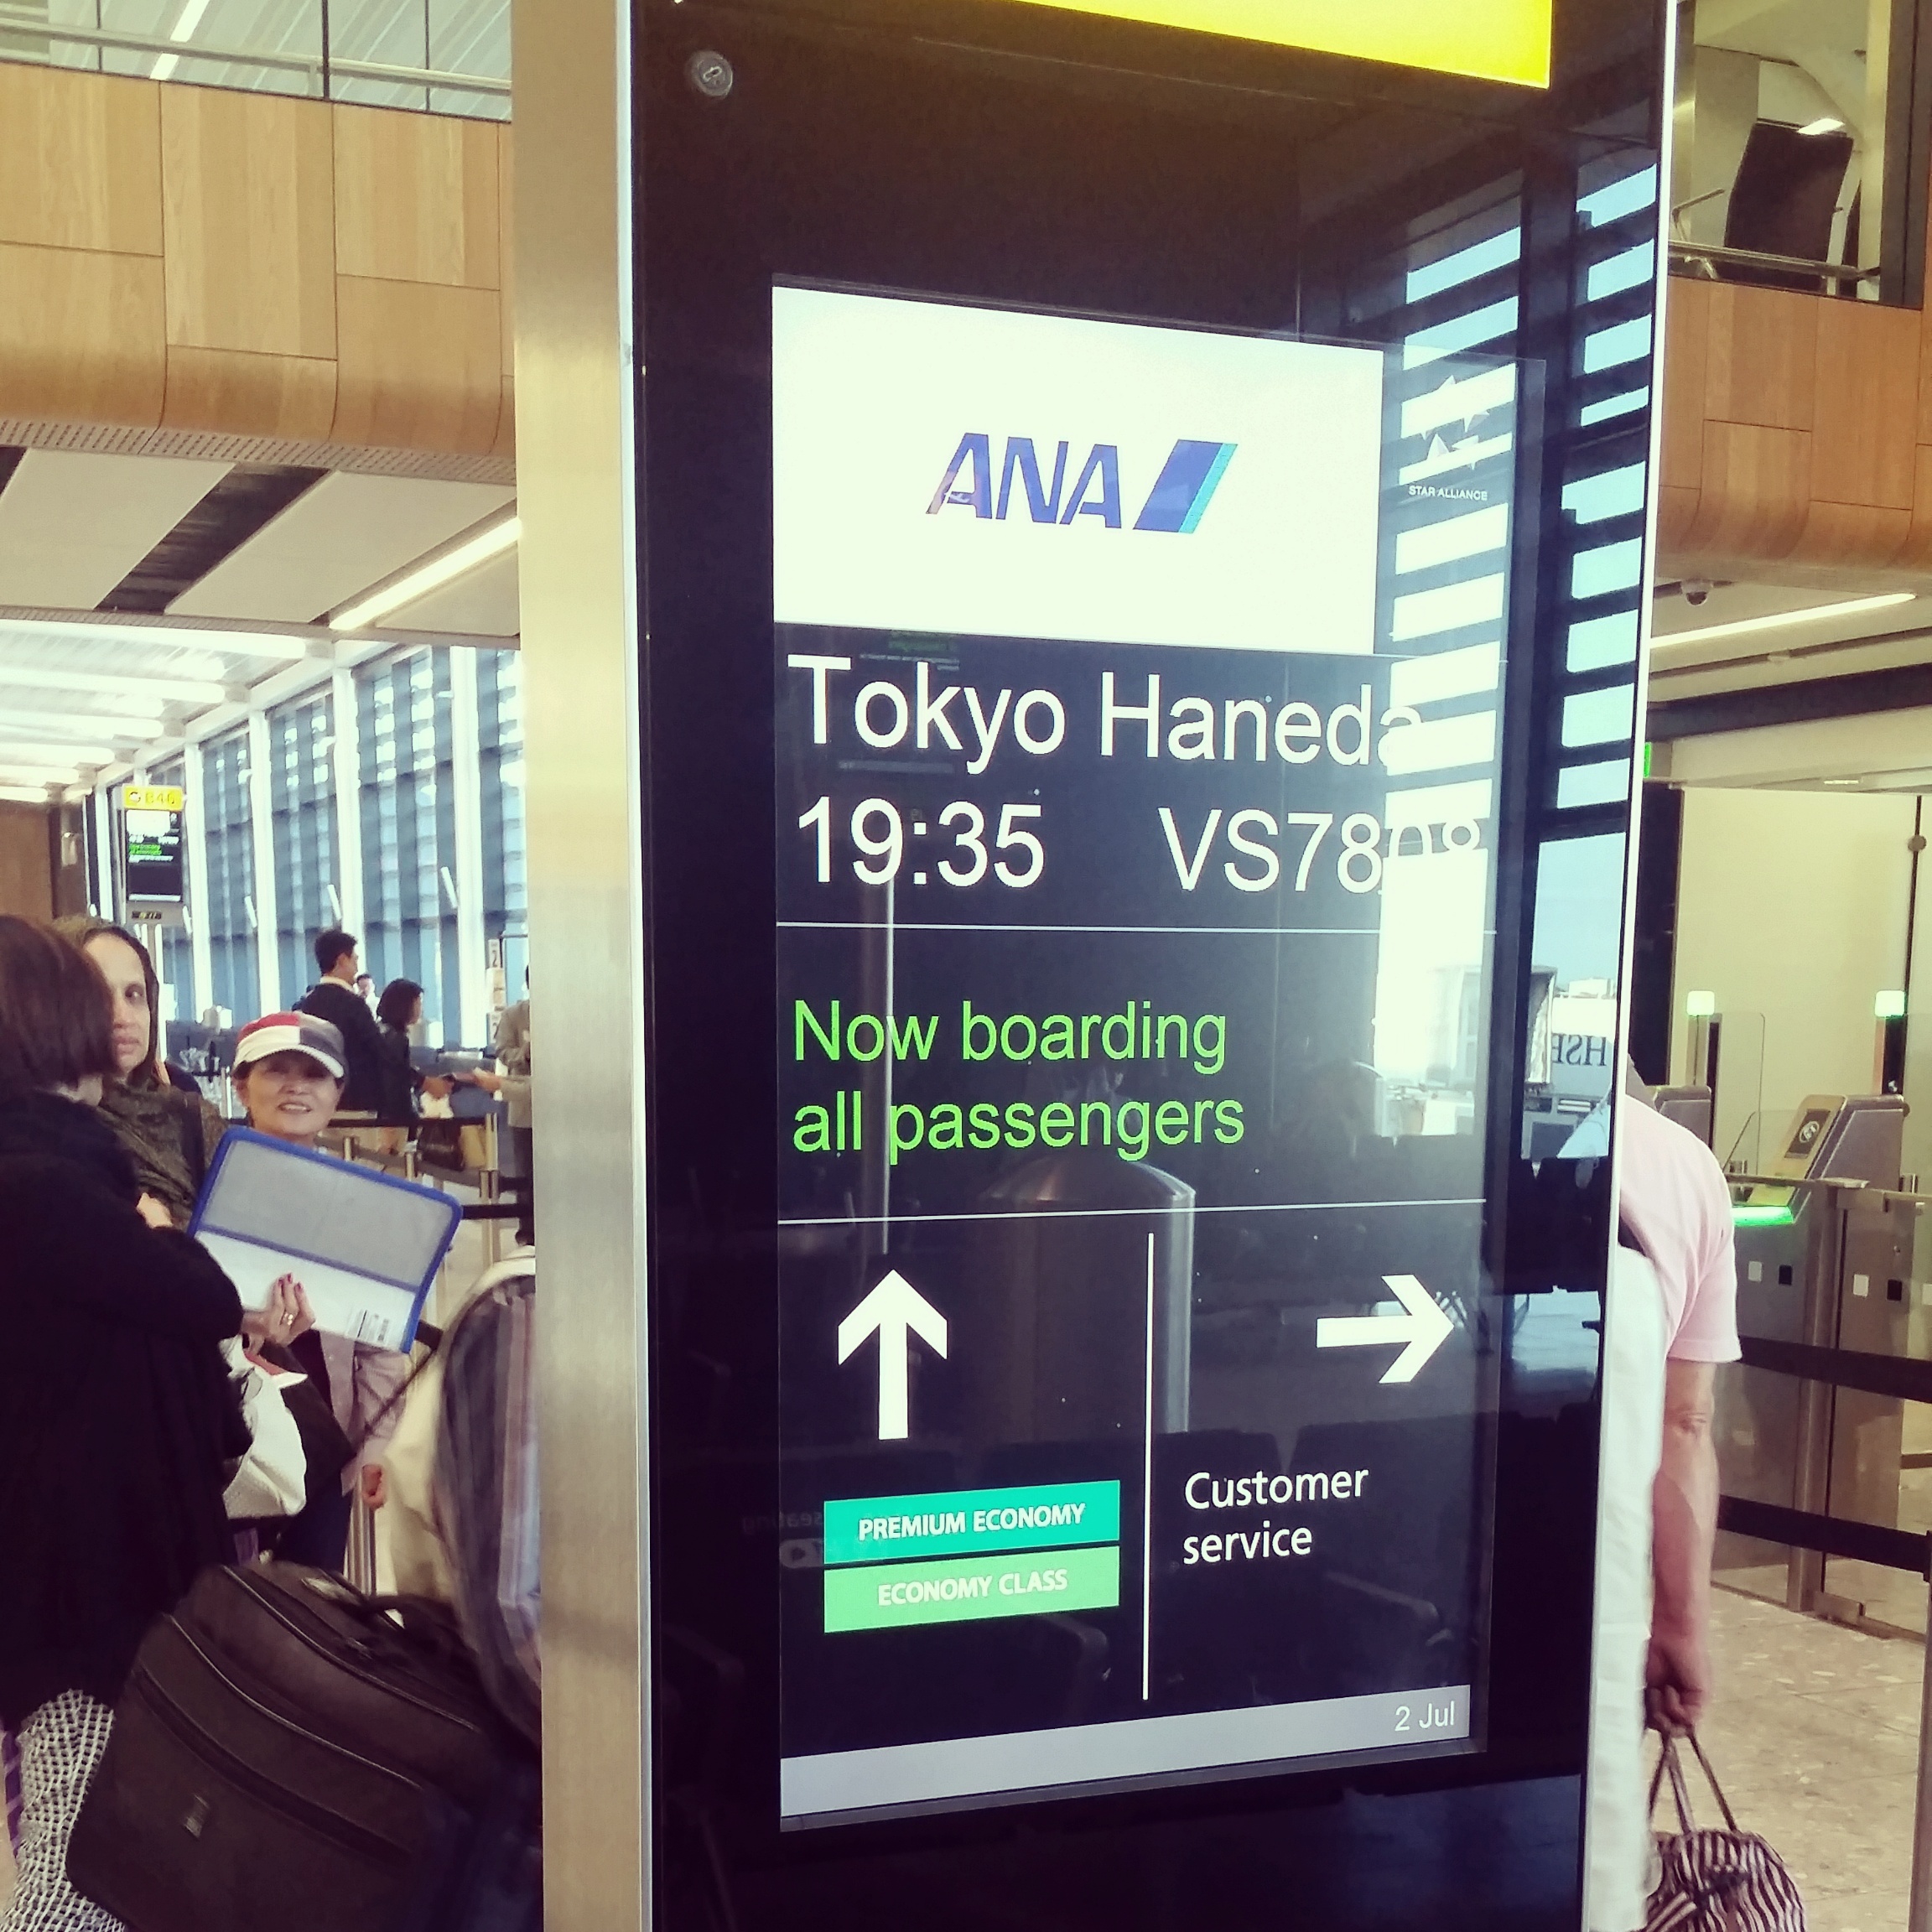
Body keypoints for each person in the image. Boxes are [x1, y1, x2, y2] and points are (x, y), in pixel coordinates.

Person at [0, 915, 246, 1932]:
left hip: (52, 1564)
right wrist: (157, 1232)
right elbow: (205, 1298)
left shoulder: (59, 1171)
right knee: (81, 1849)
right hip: (83, 1584)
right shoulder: (48, 1188)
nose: (118, 1020)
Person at [1587, 1078, 1740, 1931]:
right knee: (1592, 1846)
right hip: (1597, 1593)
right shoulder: (1683, 1166)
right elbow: (1684, 1424)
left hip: (1423, 1572)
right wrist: (1680, 1628)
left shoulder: (1445, 1142)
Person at [231, 1011, 410, 1572]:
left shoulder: (360, 1206)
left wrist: (379, 1447)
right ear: (242, 1085)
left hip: (324, 1442)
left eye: (313, 1074)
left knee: (311, 1605)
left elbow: (380, 1342)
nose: (295, 1086)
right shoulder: (205, 1185)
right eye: (276, 1069)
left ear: (338, 1093)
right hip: (229, 1438)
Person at [53, 916, 224, 1228]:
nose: (122, 1017)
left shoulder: (192, 1117)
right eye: (99, 996)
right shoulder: (42, 1130)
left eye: (134, 995)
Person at [293, 928, 385, 1115]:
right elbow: (379, 1051)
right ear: (342, 960)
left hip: (318, 1102)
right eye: (355, 960)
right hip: (356, 1103)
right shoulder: (354, 1005)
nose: (357, 968)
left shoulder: (307, 1004)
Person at [373, 978, 453, 1130]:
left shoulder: (381, 1031)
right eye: (418, 1003)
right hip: (394, 1120)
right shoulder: (396, 1038)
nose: (420, 1009)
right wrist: (413, 1119)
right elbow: (397, 1080)